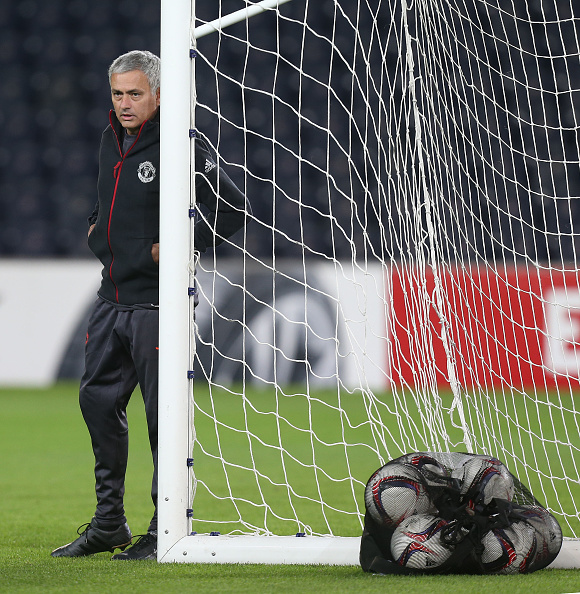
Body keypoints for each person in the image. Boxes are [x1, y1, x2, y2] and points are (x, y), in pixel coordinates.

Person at [51, 50, 249, 560]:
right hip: (110, 297)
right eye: (118, 93)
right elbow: (106, 196)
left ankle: (165, 527)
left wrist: (182, 243)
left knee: (164, 420)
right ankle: (108, 523)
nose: (124, 103)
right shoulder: (108, 139)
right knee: (96, 403)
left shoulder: (184, 141)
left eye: (135, 93)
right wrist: (97, 225)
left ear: (158, 93)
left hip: (158, 304)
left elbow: (231, 210)